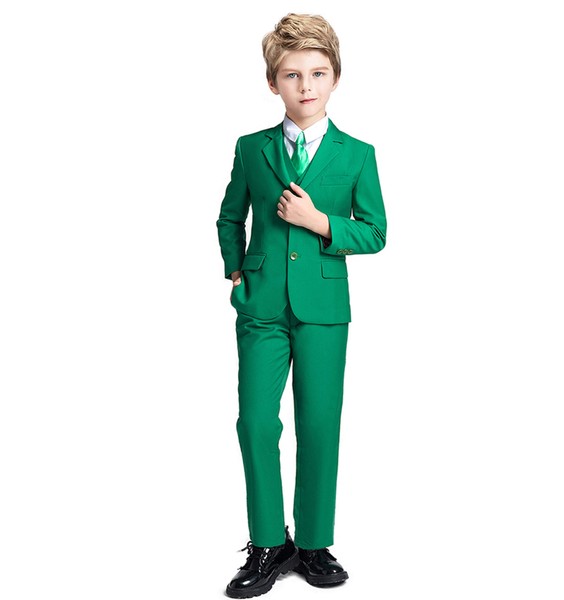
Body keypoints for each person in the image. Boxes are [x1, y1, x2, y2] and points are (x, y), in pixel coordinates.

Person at [216, 13, 387, 598]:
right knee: (255, 423)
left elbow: (376, 232)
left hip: (323, 310)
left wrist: (320, 222)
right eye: (292, 75)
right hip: (261, 307)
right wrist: (235, 268)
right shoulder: (251, 148)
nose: (306, 86)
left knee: (319, 425)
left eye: (317, 73)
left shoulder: (357, 154)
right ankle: (268, 542)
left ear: (335, 77)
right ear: (274, 83)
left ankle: (313, 542)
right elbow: (229, 216)